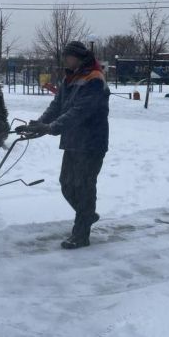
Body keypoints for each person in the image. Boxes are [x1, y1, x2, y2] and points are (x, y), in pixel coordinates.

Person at [16, 41, 110, 249]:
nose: (65, 59)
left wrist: (51, 128)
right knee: (67, 184)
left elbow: (80, 111)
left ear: (78, 57)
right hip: (73, 141)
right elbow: (57, 106)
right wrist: (38, 124)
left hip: (92, 142)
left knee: (84, 187)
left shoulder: (94, 79)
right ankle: (87, 214)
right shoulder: (71, 77)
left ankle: (81, 234)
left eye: (68, 56)